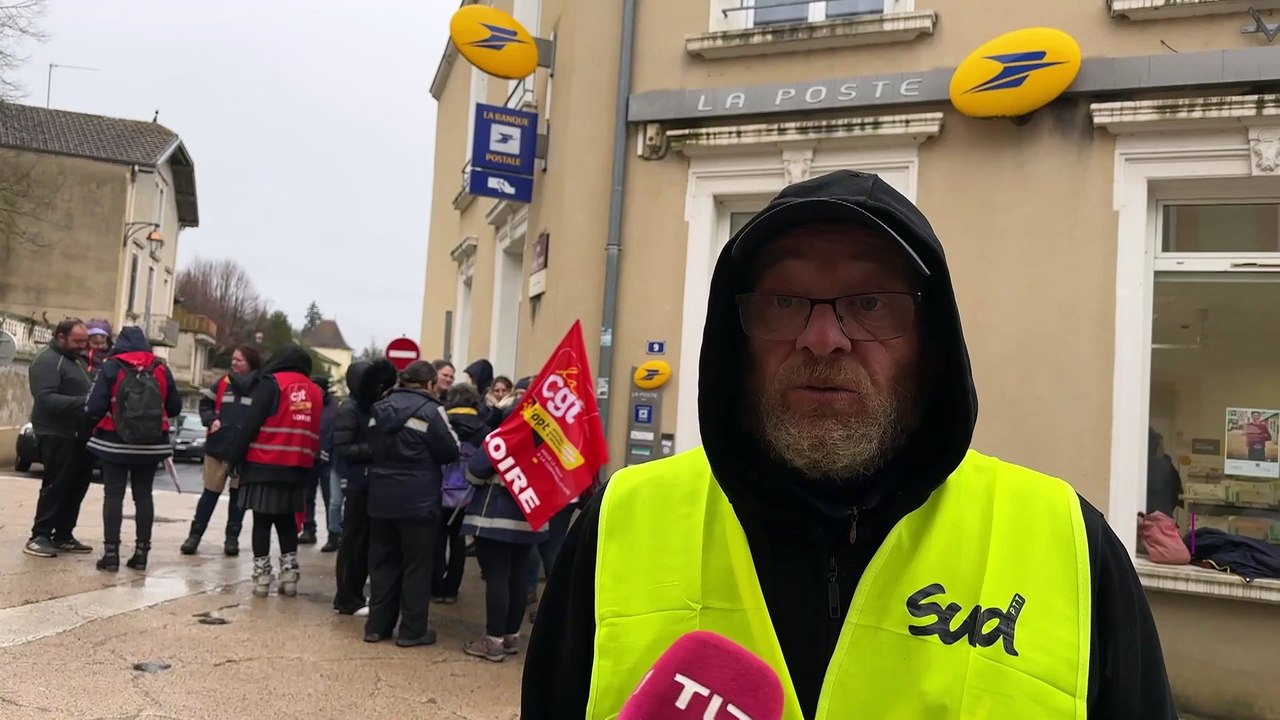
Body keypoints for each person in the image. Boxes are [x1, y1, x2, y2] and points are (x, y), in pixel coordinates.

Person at [521, 171, 1177, 718]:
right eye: (783, 300)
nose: (823, 338)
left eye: (870, 303)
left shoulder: (1068, 546)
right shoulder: (619, 526)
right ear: (737, 341)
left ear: (931, 346)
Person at [363, 361, 460, 646]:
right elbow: (450, 450)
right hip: (418, 500)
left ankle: (376, 627)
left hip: (381, 497)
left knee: (382, 564)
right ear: (430, 384)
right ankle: (411, 631)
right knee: (417, 567)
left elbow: (370, 443)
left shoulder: (379, 407)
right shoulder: (432, 410)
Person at [225, 345, 322, 598]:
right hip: (297, 466)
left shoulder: (272, 384)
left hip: (264, 462)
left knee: (262, 521)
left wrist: (233, 459)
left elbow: (251, 424)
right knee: (288, 522)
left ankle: (261, 578)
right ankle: (289, 577)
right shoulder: (315, 391)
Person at [84, 326, 182, 572]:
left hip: (114, 442)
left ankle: (111, 554)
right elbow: (175, 407)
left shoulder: (111, 366)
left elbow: (94, 407)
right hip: (151, 443)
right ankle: (141, 554)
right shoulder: (160, 368)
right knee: (143, 496)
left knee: (113, 496)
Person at [461, 402, 547, 662]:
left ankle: (493, 641)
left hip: (494, 521)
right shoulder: (547, 445)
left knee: (497, 578)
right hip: (531, 519)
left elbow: (474, 474)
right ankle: (511, 636)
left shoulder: (500, 440)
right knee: (519, 579)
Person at [332, 358, 399, 616]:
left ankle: (355, 594)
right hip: (359, 483)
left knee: (365, 542)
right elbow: (343, 447)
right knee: (353, 542)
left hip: (371, 482)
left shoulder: (369, 406)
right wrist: (377, 450)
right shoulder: (350, 408)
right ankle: (347, 597)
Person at [182, 344, 263, 557]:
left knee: (238, 499)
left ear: (251, 363)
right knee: (209, 494)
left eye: (239, 360)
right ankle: (194, 537)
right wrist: (211, 421)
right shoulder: (223, 382)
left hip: (244, 452)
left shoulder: (262, 386)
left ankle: (232, 539)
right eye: (233, 359)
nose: (234, 363)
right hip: (218, 447)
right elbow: (205, 404)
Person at [24, 318, 94, 559]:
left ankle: (63, 534)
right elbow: (45, 399)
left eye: (84, 341)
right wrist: (85, 403)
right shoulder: (47, 361)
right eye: (77, 341)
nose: (82, 346)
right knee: (55, 485)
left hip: (78, 435)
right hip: (55, 433)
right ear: (61, 336)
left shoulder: (76, 362)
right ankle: (39, 535)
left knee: (77, 485)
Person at [432, 382, 488, 604]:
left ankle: (436, 588)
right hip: (469, 495)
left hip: (439, 492)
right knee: (458, 542)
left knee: (437, 541)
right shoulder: (484, 429)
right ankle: (451, 590)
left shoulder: (442, 424)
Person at [300, 375, 340, 548]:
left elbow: (335, 432)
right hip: (308, 458)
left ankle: (334, 533)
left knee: (331, 499)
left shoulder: (335, 408)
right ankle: (308, 529)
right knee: (307, 496)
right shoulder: (304, 405)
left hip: (328, 460)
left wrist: (327, 450)